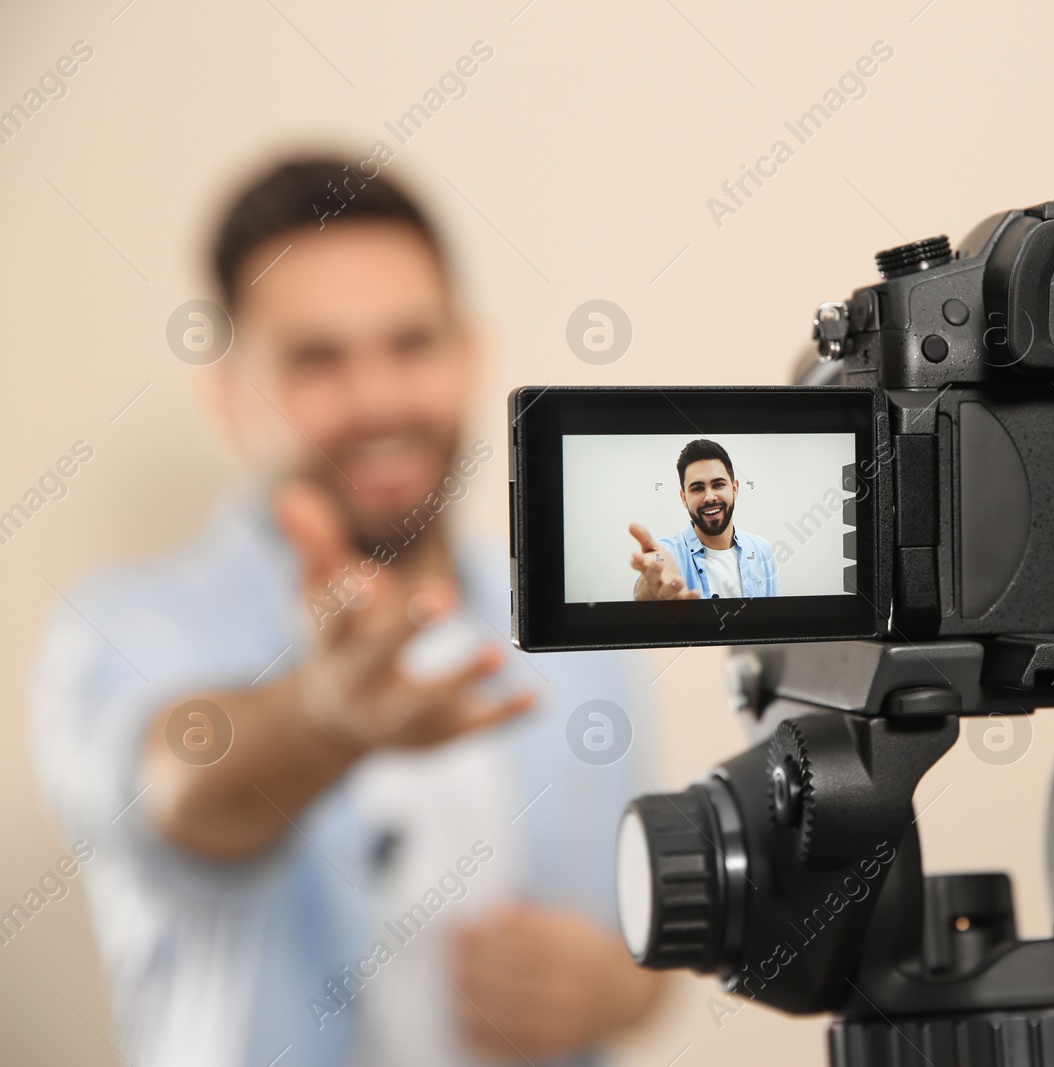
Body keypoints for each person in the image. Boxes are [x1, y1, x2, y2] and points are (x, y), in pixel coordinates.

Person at [29, 158, 663, 1067]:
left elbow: (642, 922)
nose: (377, 401)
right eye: (317, 358)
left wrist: (627, 988)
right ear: (231, 392)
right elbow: (174, 789)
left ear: (469, 353)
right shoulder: (126, 626)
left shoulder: (583, 627)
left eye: (410, 344)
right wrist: (321, 720)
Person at [629, 439, 780, 601]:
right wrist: (648, 590)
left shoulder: (762, 550)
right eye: (697, 488)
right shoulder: (670, 554)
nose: (709, 497)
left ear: (735, 489)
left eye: (718, 485)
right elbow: (648, 586)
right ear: (684, 498)